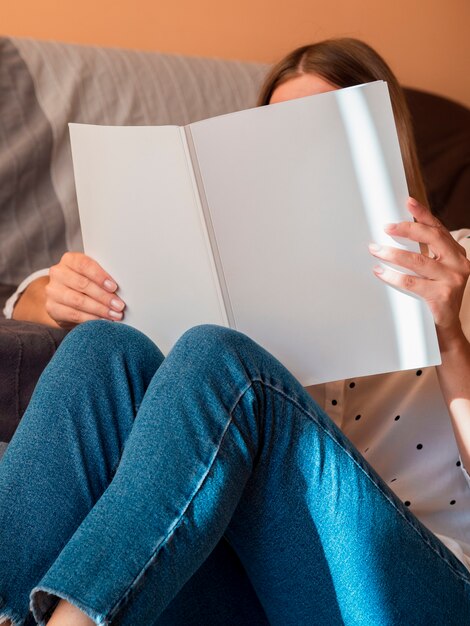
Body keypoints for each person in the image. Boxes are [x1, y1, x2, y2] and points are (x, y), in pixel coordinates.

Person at [1, 38, 470, 626]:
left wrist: (451, 336)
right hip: (266, 590)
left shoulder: (460, 265)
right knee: (105, 348)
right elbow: (28, 302)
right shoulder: (237, 266)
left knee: (217, 358)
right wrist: (58, 297)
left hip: (420, 587)